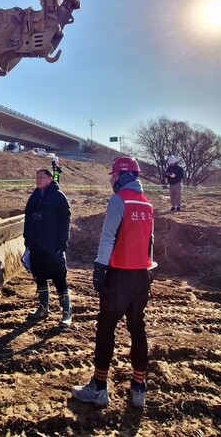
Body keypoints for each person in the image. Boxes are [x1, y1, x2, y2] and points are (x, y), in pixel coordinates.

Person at [72, 156, 155, 409]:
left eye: (113, 176)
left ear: (121, 176)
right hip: (142, 275)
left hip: (119, 275)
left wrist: (99, 268)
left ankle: (98, 387)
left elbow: (108, 237)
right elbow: (150, 243)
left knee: (106, 327)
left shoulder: (119, 200)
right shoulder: (146, 204)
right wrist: (147, 269)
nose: (112, 180)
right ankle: (139, 387)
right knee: (137, 328)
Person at [23, 168, 73, 328]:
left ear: (50, 179)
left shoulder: (58, 197)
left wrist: (62, 243)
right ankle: (43, 308)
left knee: (59, 278)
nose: (38, 180)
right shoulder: (34, 198)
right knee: (40, 277)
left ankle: (66, 312)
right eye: (37, 177)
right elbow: (27, 220)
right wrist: (27, 241)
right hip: (37, 246)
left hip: (53, 245)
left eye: (42, 177)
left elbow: (65, 220)